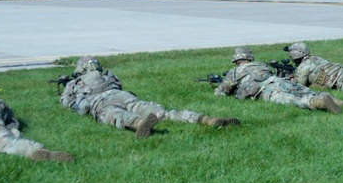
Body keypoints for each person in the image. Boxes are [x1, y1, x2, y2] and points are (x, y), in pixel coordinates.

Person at [59, 57, 239, 138]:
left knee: (116, 115)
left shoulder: (74, 83)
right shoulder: (108, 75)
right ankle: (205, 119)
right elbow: (118, 85)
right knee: (164, 113)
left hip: (100, 102)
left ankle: (139, 124)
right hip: (123, 96)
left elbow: (68, 103)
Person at [215, 47, 343, 113]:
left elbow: (221, 93)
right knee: (304, 91)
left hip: (266, 91)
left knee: (294, 100)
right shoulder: (261, 64)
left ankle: (319, 102)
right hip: (279, 81)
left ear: (236, 60)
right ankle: (337, 101)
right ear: (249, 58)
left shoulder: (234, 72)